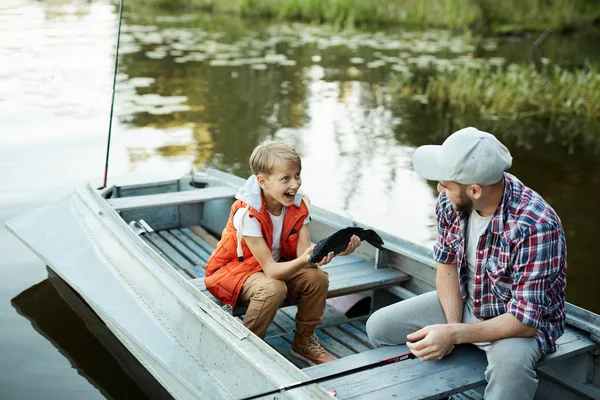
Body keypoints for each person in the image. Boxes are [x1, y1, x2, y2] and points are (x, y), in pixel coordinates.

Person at [366, 127, 567, 399]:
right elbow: (446, 265)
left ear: (474, 189)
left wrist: (455, 335)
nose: (439, 188)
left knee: (510, 369)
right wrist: (451, 327)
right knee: (380, 327)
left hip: (514, 322)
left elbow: (525, 321)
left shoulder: (536, 225)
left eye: (446, 184)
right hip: (467, 302)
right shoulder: (451, 202)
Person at [205, 140, 361, 365]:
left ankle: (304, 341)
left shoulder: (299, 205)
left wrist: (334, 252)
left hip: (274, 267)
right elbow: (271, 270)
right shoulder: (248, 213)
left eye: (297, 175)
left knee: (317, 278)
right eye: (285, 178)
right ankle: (248, 348)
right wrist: (305, 259)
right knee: (273, 288)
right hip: (235, 272)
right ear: (263, 182)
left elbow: (302, 257)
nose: (295, 184)